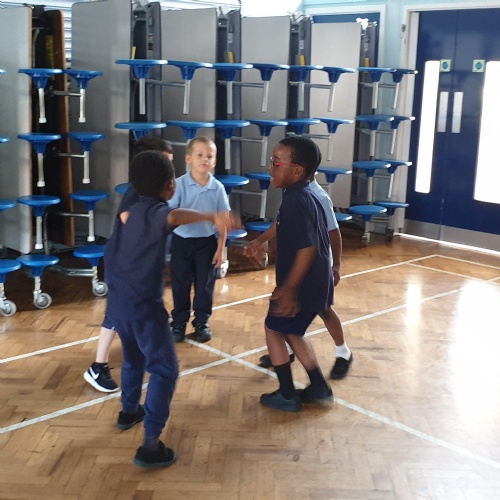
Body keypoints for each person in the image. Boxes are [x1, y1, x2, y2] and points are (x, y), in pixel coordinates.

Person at [103, 150, 237, 468]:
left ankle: (128, 411)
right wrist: (211, 216)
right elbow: (173, 217)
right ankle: (150, 446)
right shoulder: (154, 212)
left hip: (119, 303)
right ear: (170, 186)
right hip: (144, 307)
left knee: (134, 358)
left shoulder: (130, 209)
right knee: (165, 370)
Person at [83, 136, 174, 393]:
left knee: (117, 314)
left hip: (126, 260)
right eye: (166, 162)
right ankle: (98, 366)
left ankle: (104, 363)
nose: (170, 170)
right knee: (115, 313)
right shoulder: (139, 190)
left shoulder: (151, 192)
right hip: (122, 261)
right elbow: (126, 216)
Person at [251, 136, 334, 412]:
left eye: (276, 163)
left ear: (297, 170)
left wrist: (288, 290)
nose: (270, 168)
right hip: (316, 282)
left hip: (304, 285)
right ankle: (318, 387)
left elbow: (308, 248)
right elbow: (281, 223)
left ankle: (287, 394)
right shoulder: (304, 193)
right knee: (292, 331)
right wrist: (260, 240)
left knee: (274, 328)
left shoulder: (296, 200)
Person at [244, 171, 353, 380]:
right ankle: (286, 351)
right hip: (296, 264)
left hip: (317, 267)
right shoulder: (292, 193)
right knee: (289, 311)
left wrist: (336, 265)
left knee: (323, 309)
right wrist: (261, 240)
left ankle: (343, 352)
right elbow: (280, 222)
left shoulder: (318, 197)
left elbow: (334, 232)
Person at [168, 136, 230, 343]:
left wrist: (221, 248)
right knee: (180, 284)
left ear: (215, 161)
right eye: (200, 155)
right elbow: (172, 215)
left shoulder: (218, 188)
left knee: (205, 285)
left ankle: (202, 322)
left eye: (209, 156)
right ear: (188, 159)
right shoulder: (179, 185)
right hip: (181, 242)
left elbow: (222, 220)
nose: (205, 159)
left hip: (206, 243)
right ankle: (179, 322)